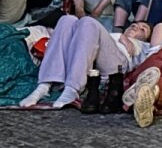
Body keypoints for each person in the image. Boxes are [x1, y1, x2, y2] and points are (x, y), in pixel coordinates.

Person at [20, 17, 152, 111]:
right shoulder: (111, 34)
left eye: (143, 29)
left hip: (117, 64)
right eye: (134, 25)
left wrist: (122, 38)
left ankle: (73, 88)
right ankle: (44, 84)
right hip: (89, 60)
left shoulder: (144, 46)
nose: (136, 27)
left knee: (88, 22)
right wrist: (118, 35)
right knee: (67, 20)